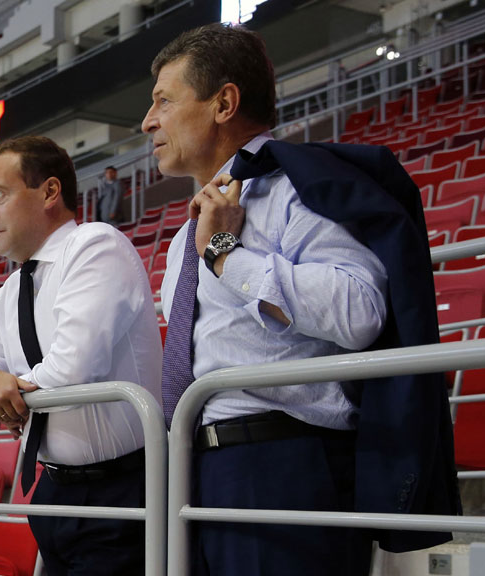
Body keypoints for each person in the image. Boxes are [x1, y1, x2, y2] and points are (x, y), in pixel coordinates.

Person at [141, 23, 459, 575]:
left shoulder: (297, 188)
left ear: (224, 104)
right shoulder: (182, 239)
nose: (149, 120)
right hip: (198, 468)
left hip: (280, 464)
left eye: (164, 101)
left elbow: (360, 311)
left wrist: (226, 255)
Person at [0, 135, 162, 575]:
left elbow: (73, 369)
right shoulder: (13, 288)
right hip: (53, 489)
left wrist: (10, 398)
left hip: (121, 487)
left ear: (49, 192)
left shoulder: (95, 245)